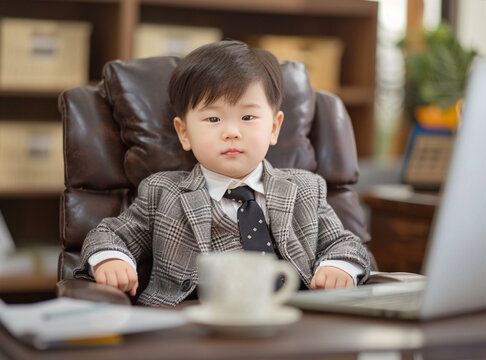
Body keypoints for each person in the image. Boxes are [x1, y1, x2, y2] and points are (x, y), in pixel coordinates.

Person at [74, 40, 371, 306]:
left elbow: (345, 242)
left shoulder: (306, 188)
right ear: (184, 133)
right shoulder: (162, 192)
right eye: (213, 118)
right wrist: (111, 259)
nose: (231, 132)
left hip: (291, 321)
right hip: (194, 324)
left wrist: (338, 267)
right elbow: (108, 234)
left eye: (248, 117)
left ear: (274, 127)